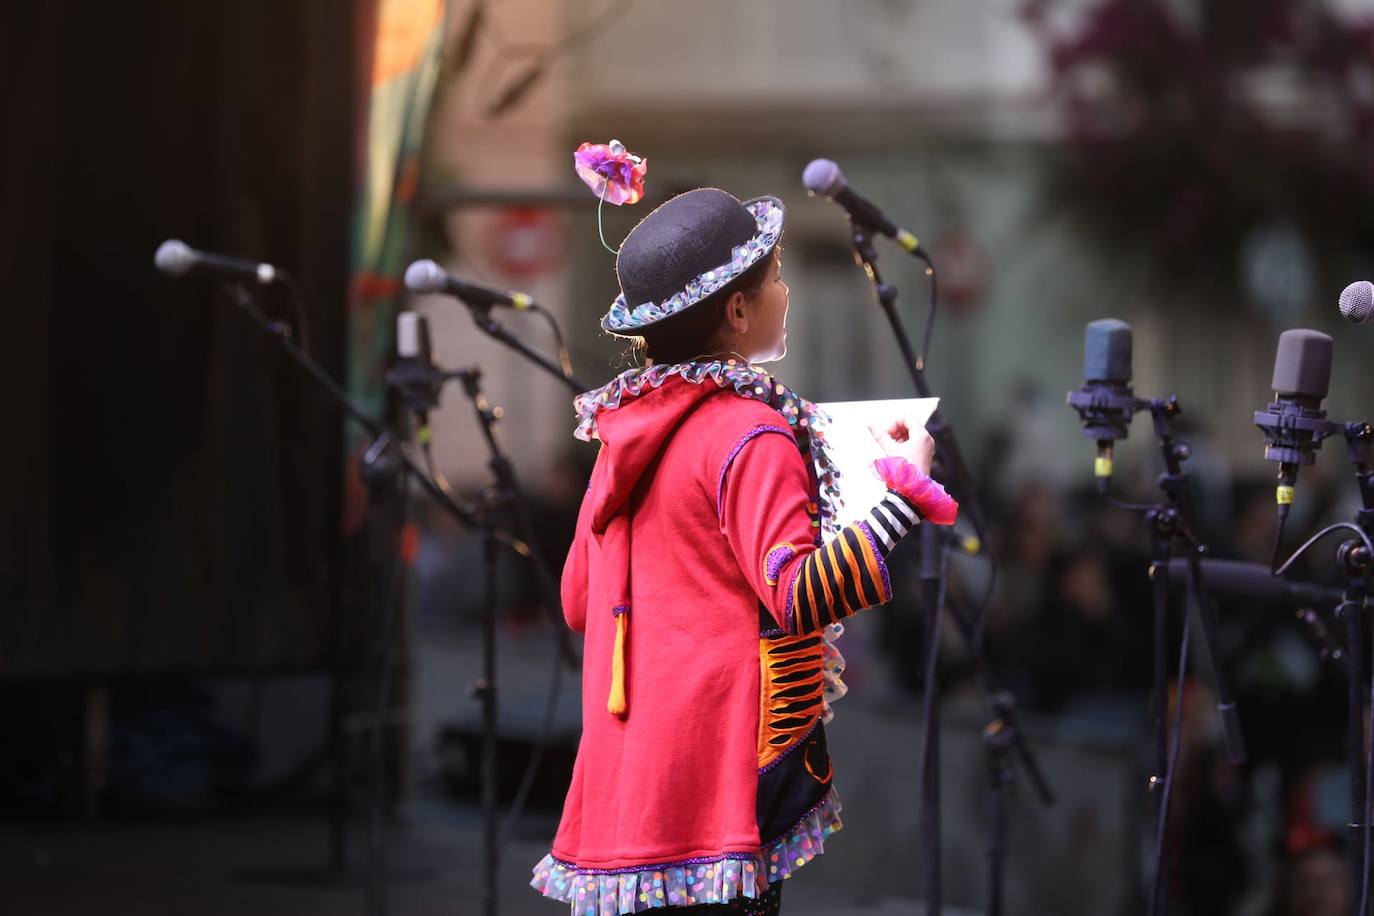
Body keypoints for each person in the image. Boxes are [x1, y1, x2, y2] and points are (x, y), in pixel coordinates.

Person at [530, 187, 958, 914]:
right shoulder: (750, 433)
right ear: (736, 312)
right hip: (712, 791)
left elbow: (579, 603)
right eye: (777, 279)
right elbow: (798, 594)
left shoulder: (620, 437)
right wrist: (901, 500)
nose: (785, 294)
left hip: (624, 802)